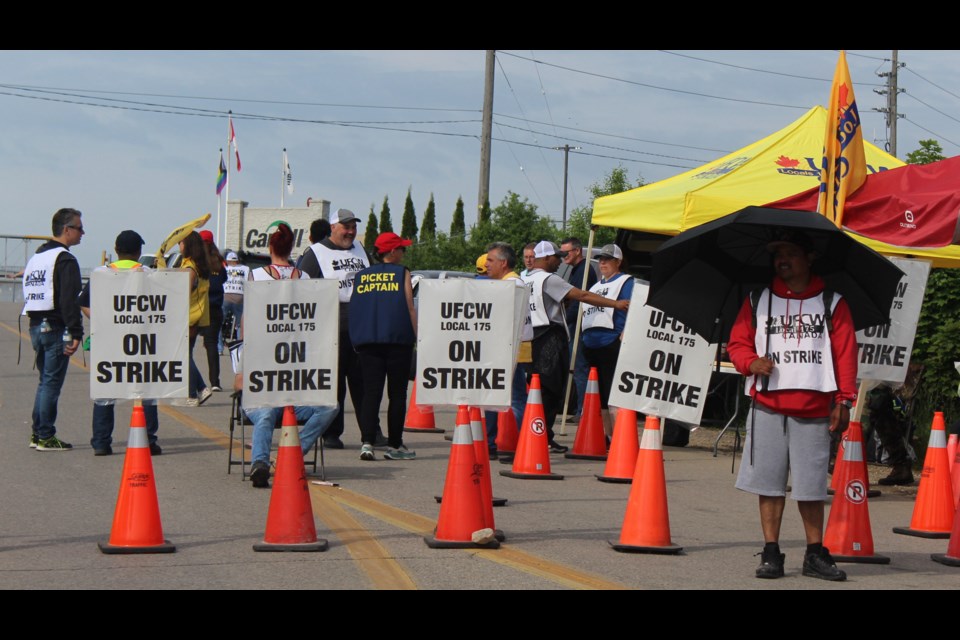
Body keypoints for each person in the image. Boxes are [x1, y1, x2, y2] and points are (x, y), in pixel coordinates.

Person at [726, 228, 857, 582]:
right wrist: (750, 362)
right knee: (768, 484)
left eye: (790, 253)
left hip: (814, 408)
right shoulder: (757, 300)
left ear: (809, 258)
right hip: (767, 404)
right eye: (777, 254)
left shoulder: (832, 303)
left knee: (811, 486)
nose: (782, 260)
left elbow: (845, 354)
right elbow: (736, 344)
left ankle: (815, 553)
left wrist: (844, 400)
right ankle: (772, 553)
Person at [239, 222, 337, 488]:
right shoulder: (304, 279)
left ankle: (272, 459)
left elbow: (247, 325)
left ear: (269, 246)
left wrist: (242, 369)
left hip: (268, 378)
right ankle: (285, 455)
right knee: (328, 407)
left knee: (266, 411)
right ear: (292, 246)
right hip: (296, 376)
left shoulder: (256, 277)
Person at [523, 240, 629, 453]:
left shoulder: (524, 277)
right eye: (556, 258)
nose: (559, 262)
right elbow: (582, 295)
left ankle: (533, 434)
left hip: (529, 335)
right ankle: (542, 435)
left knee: (535, 388)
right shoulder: (548, 278)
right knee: (550, 389)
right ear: (546, 258)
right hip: (549, 336)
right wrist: (616, 304)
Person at [298, 208, 384, 449]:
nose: (350, 231)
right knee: (334, 382)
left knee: (364, 382)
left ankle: (371, 431)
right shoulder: (316, 253)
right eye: (345, 227)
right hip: (331, 322)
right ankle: (331, 432)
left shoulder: (360, 250)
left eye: (353, 227)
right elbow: (304, 288)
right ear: (333, 227)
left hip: (361, 322)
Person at [79, 230, 162, 456]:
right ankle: (148, 440)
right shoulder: (147, 273)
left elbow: (84, 303)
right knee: (145, 390)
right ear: (138, 252)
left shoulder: (100, 273)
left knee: (105, 391)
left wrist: (102, 321)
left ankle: (101, 442)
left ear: (116, 251)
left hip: (107, 339)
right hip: (140, 341)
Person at [349, 232, 418, 461]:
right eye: (401, 248)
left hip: (368, 341)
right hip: (397, 340)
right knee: (397, 394)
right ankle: (395, 445)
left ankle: (367, 443)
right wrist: (418, 336)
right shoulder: (402, 273)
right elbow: (409, 306)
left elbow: (356, 308)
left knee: (371, 393)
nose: (403, 252)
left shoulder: (362, 275)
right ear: (391, 251)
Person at [22, 207, 85, 451]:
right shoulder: (65, 259)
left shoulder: (38, 257)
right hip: (56, 327)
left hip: (36, 325)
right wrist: (76, 333)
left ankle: (38, 434)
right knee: (51, 384)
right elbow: (71, 299)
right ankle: (46, 436)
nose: (83, 233)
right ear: (67, 230)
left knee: (44, 382)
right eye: (79, 228)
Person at [580, 244, 634, 439]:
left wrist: (625, 334)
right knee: (600, 395)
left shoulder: (626, 282)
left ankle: (620, 438)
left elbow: (633, 308)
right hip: (591, 344)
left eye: (607, 259)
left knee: (612, 392)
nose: (602, 262)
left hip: (611, 342)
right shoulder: (595, 286)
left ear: (618, 262)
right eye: (600, 259)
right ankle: (606, 436)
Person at [485, 241, 529, 458]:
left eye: (490, 260)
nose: (486, 264)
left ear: (503, 263)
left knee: (515, 398)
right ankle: (493, 443)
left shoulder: (512, 285)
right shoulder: (509, 283)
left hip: (509, 350)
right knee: (496, 396)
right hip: (505, 349)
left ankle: (522, 443)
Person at [560, 237, 598, 420]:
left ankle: (583, 411)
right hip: (574, 322)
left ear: (577, 251)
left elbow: (578, 300)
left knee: (579, 367)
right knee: (575, 368)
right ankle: (579, 409)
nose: (563, 256)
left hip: (578, 324)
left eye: (566, 252)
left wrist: (565, 320)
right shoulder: (576, 270)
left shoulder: (584, 270)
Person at [179, 231, 213, 407]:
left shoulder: (190, 268)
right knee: (187, 354)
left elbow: (182, 293)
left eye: (181, 243)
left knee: (183, 356)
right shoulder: (200, 266)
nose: (180, 246)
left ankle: (194, 392)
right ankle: (201, 388)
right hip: (198, 316)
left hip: (188, 317)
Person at [199, 230, 226, 391]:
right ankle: (215, 382)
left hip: (200, 307)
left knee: (188, 345)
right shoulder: (219, 261)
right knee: (212, 344)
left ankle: (193, 383)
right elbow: (224, 279)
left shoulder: (197, 261)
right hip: (215, 308)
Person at [221, 251, 248, 347]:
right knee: (240, 323)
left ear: (227, 261)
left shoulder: (224, 268)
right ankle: (240, 346)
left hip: (226, 296)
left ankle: (219, 348)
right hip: (240, 297)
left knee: (219, 323)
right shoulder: (245, 269)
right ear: (237, 260)